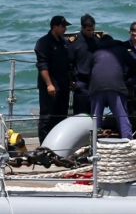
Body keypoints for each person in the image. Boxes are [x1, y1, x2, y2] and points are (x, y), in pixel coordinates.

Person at [89, 34, 136, 139]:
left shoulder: (95, 52)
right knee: (122, 116)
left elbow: (89, 71)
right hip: (116, 85)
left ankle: (94, 143)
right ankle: (128, 141)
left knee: (96, 117)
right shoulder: (121, 49)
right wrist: (125, 76)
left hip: (97, 86)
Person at [34, 15, 73, 144]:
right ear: (55, 26)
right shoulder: (44, 42)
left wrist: (70, 81)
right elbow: (42, 65)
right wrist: (49, 84)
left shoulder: (64, 42)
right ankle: (44, 146)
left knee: (62, 115)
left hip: (63, 84)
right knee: (47, 116)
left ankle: (58, 144)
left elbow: (67, 65)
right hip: (50, 85)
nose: (65, 29)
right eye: (63, 26)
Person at [68, 14, 100, 115]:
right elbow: (69, 64)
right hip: (81, 82)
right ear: (82, 28)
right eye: (88, 30)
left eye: (92, 30)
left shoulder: (97, 40)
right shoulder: (74, 43)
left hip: (95, 82)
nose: (91, 32)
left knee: (95, 113)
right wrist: (72, 81)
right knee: (81, 114)